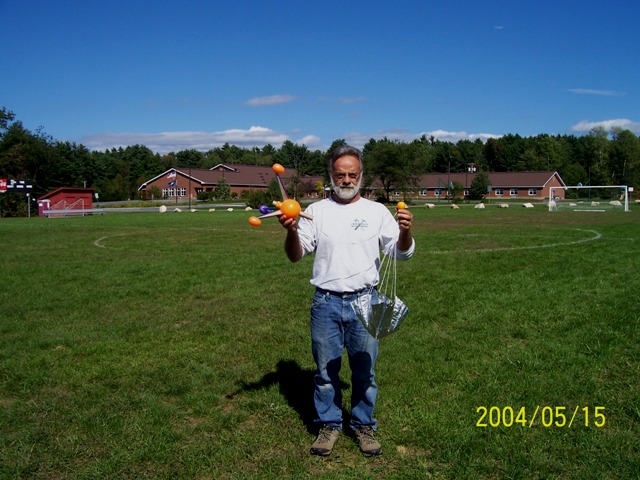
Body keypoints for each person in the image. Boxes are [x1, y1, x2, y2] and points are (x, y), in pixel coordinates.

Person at [278, 144, 415, 457]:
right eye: (340, 174)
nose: (346, 180)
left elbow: (401, 253)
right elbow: (295, 255)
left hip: (366, 301)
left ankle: (363, 425)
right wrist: (291, 231)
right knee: (325, 374)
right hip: (325, 303)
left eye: (352, 174)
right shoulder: (315, 212)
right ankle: (329, 424)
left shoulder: (376, 212)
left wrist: (406, 231)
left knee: (365, 372)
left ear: (361, 176)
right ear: (331, 175)